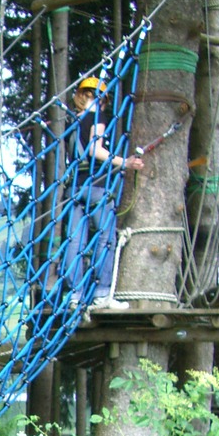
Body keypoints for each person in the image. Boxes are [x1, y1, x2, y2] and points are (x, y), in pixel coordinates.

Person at [61, 77, 143, 309]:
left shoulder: (72, 122)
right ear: (102, 100)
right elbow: (96, 150)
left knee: (74, 241)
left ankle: (74, 295)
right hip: (96, 185)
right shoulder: (97, 117)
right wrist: (124, 162)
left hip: (74, 188)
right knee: (106, 239)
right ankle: (101, 292)